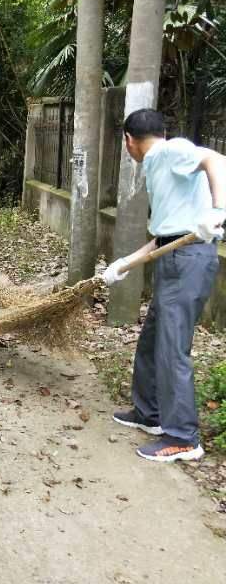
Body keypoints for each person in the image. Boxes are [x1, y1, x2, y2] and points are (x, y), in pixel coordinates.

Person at [102, 108, 225, 462]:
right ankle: (150, 414)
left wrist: (218, 211)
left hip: (189, 261)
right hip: (172, 255)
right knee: (153, 340)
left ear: (129, 141)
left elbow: (217, 160)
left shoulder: (168, 152)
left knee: (172, 349)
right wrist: (124, 263)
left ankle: (184, 437)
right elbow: (163, 236)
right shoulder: (157, 166)